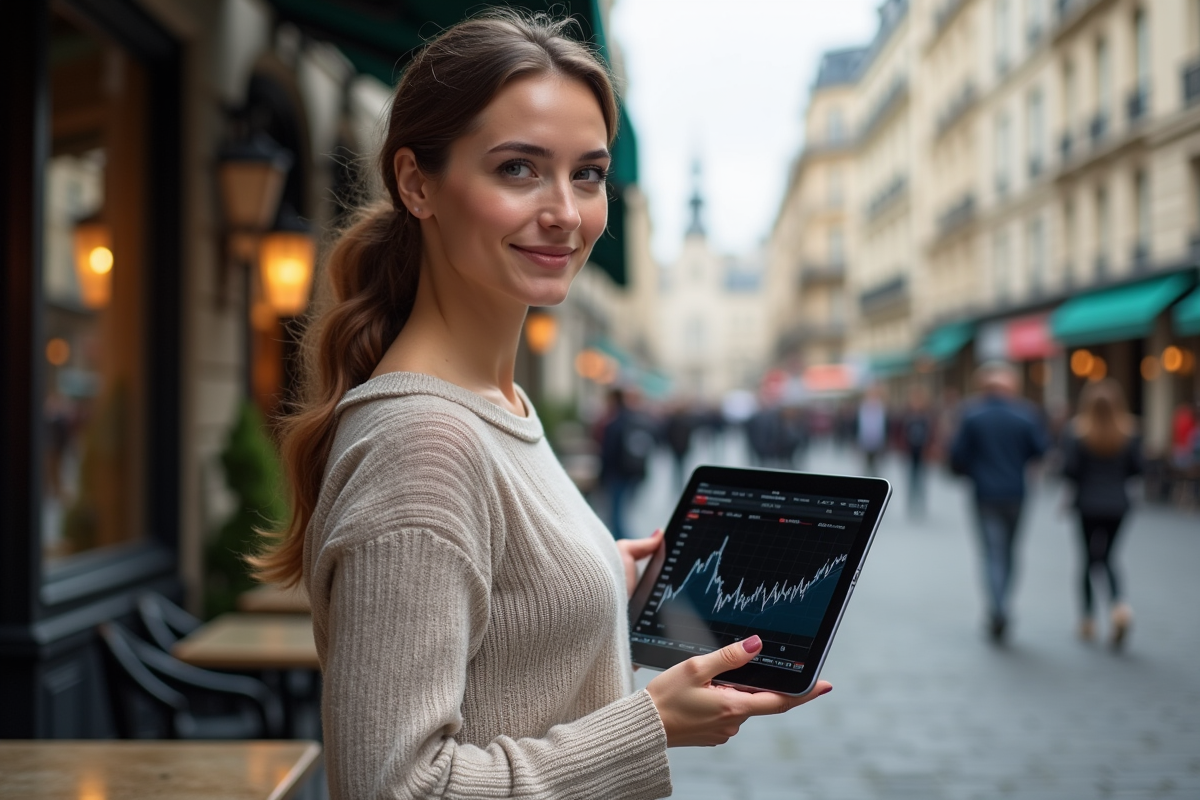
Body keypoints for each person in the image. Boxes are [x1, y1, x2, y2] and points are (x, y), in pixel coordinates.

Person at [249, 14, 829, 800]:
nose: (565, 210)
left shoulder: (501, 400)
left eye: (587, 174)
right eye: (518, 169)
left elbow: (490, 624)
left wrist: (586, 573)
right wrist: (649, 725)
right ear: (418, 184)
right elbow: (395, 789)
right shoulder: (424, 443)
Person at [950, 362, 1049, 643]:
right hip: (1016, 493)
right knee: (1009, 551)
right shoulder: (1026, 414)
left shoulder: (972, 415)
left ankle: (997, 607)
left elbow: (957, 456)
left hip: (984, 493)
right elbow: (1040, 450)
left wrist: (972, 471)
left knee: (991, 552)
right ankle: (1003, 603)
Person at [1061, 379, 1141, 649]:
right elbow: (1137, 470)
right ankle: (1119, 606)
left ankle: (1087, 618)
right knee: (1108, 558)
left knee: (1086, 559)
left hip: (1087, 504)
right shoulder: (1129, 432)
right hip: (1118, 505)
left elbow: (1070, 471)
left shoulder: (1078, 432)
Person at [598, 387, 654, 540]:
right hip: (633, 473)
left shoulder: (614, 423)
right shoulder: (636, 419)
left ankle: (624, 547)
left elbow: (608, 454)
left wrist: (601, 478)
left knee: (616, 515)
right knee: (622, 513)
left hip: (617, 474)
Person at [901, 385, 935, 516]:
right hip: (910, 451)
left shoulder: (927, 416)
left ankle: (921, 503)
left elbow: (932, 434)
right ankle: (911, 503)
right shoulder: (907, 415)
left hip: (923, 451)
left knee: (922, 477)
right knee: (911, 477)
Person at [856, 384, 888, 476]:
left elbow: (885, 426)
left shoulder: (881, 408)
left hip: (878, 441)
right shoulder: (863, 408)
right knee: (865, 467)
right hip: (865, 441)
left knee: (876, 467)